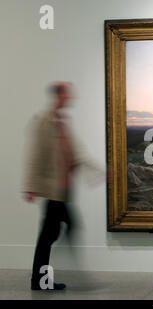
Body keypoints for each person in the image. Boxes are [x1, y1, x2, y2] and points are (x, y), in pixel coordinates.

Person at [23, 82, 104, 290]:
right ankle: (44, 278)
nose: (71, 97)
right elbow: (35, 154)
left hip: (64, 189)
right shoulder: (44, 121)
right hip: (54, 189)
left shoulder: (62, 122)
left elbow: (76, 154)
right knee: (61, 230)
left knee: (50, 234)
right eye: (68, 94)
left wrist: (100, 173)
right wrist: (30, 186)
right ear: (59, 96)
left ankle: (40, 280)